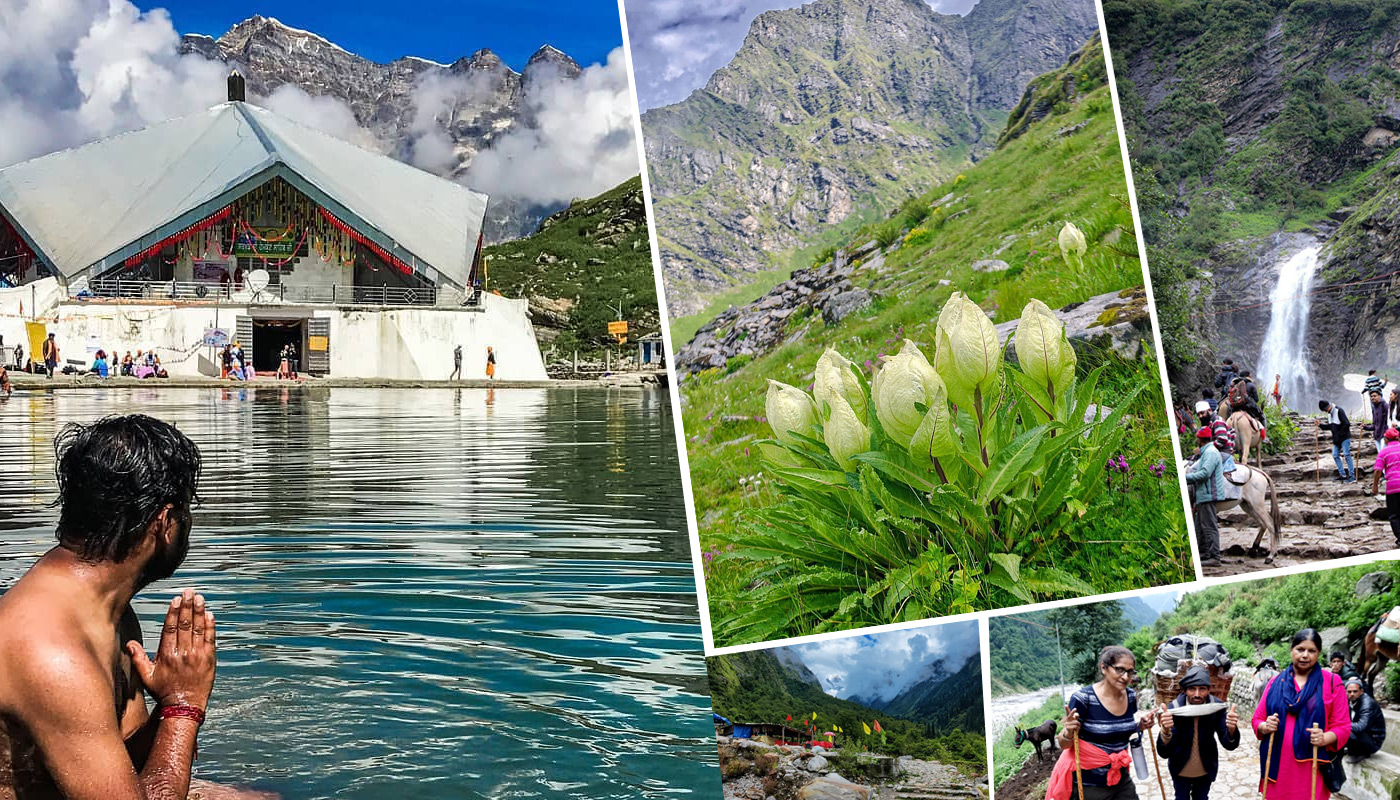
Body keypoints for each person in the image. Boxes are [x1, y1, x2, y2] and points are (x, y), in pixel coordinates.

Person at [0, 415, 269, 800]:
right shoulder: (54, 653)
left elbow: (129, 761)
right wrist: (183, 706)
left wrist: (169, 706)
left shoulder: (108, 613)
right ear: (164, 522)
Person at [1253, 628, 1349, 800]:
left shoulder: (1332, 682)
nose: (1305, 655)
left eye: (1311, 651)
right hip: (1278, 764)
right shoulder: (1275, 682)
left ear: (1319, 653)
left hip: (1311, 767)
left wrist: (1325, 737)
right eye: (1300, 649)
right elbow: (1257, 719)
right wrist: (1265, 726)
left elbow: (1343, 726)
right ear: (1291, 650)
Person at [1050, 645, 1157, 800]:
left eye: (1130, 671)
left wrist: (1139, 726)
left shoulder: (1131, 696)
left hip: (1119, 777)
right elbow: (1064, 744)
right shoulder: (1083, 699)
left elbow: (1116, 731)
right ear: (1104, 668)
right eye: (1119, 669)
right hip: (1089, 784)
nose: (1126, 677)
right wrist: (1068, 731)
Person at [1156, 666, 1240, 800]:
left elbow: (1228, 744)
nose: (1197, 694)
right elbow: (1165, 752)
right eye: (1192, 689)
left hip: (1205, 769)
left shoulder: (1215, 706)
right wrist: (1165, 731)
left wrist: (1231, 729)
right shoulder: (1175, 708)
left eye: (1202, 689)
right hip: (1181, 768)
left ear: (1208, 689)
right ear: (1184, 690)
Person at [1185, 427, 1226, 567]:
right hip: (1203, 495)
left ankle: (1215, 557)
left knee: (1209, 527)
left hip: (1209, 494)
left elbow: (1205, 474)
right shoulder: (1207, 452)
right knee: (1199, 528)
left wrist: (1185, 478)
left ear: (1199, 440)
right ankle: (1203, 555)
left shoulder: (1210, 453)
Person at [1345, 677, 1386, 760]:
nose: (1352, 694)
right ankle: (1353, 750)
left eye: (1355, 691)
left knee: (1344, 730)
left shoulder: (1368, 704)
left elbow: (1361, 727)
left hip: (1373, 741)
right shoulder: (1349, 701)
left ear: (1361, 691)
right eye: (1349, 692)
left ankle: (1363, 752)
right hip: (1362, 736)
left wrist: (1341, 724)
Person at [1371, 428, 1400, 546]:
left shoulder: (1383, 452)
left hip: (1393, 486)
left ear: (1386, 440)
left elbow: (1378, 471)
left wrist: (1375, 487)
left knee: (1394, 514)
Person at [1319, 400, 1355, 482]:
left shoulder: (1339, 410)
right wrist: (1320, 425)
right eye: (1324, 410)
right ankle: (1342, 474)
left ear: (1329, 406)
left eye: (1326, 409)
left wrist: (1340, 434)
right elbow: (1330, 426)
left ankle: (1352, 476)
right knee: (1335, 455)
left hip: (1344, 437)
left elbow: (1347, 423)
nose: (1326, 411)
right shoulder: (1329, 414)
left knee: (1346, 455)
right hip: (1336, 439)